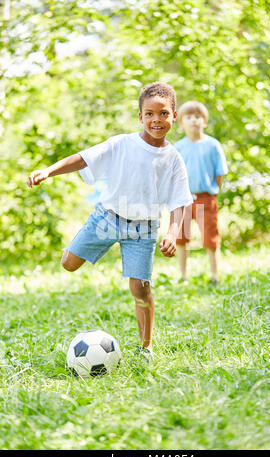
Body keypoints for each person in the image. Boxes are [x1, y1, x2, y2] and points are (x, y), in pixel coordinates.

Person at [27, 82, 193, 362]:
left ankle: (145, 348)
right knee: (68, 264)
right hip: (107, 217)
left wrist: (172, 232)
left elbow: (180, 202)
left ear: (174, 116)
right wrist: (49, 171)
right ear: (140, 116)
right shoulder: (121, 144)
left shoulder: (173, 158)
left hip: (143, 230)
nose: (156, 120)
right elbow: (82, 159)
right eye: (149, 114)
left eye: (163, 114)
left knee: (141, 289)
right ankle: (78, 244)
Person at [174, 101, 228, 284]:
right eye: (188, 117)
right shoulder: (178, 148)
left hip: (206, 197)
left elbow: (220, 173)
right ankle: (183, 275)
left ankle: (214, 275)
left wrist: (213, 193)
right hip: (183, 199)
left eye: (198, 117)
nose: (193, 121)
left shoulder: (213, 145)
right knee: (181, 237)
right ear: (181, 123)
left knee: (210, 237)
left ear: (204, 121)